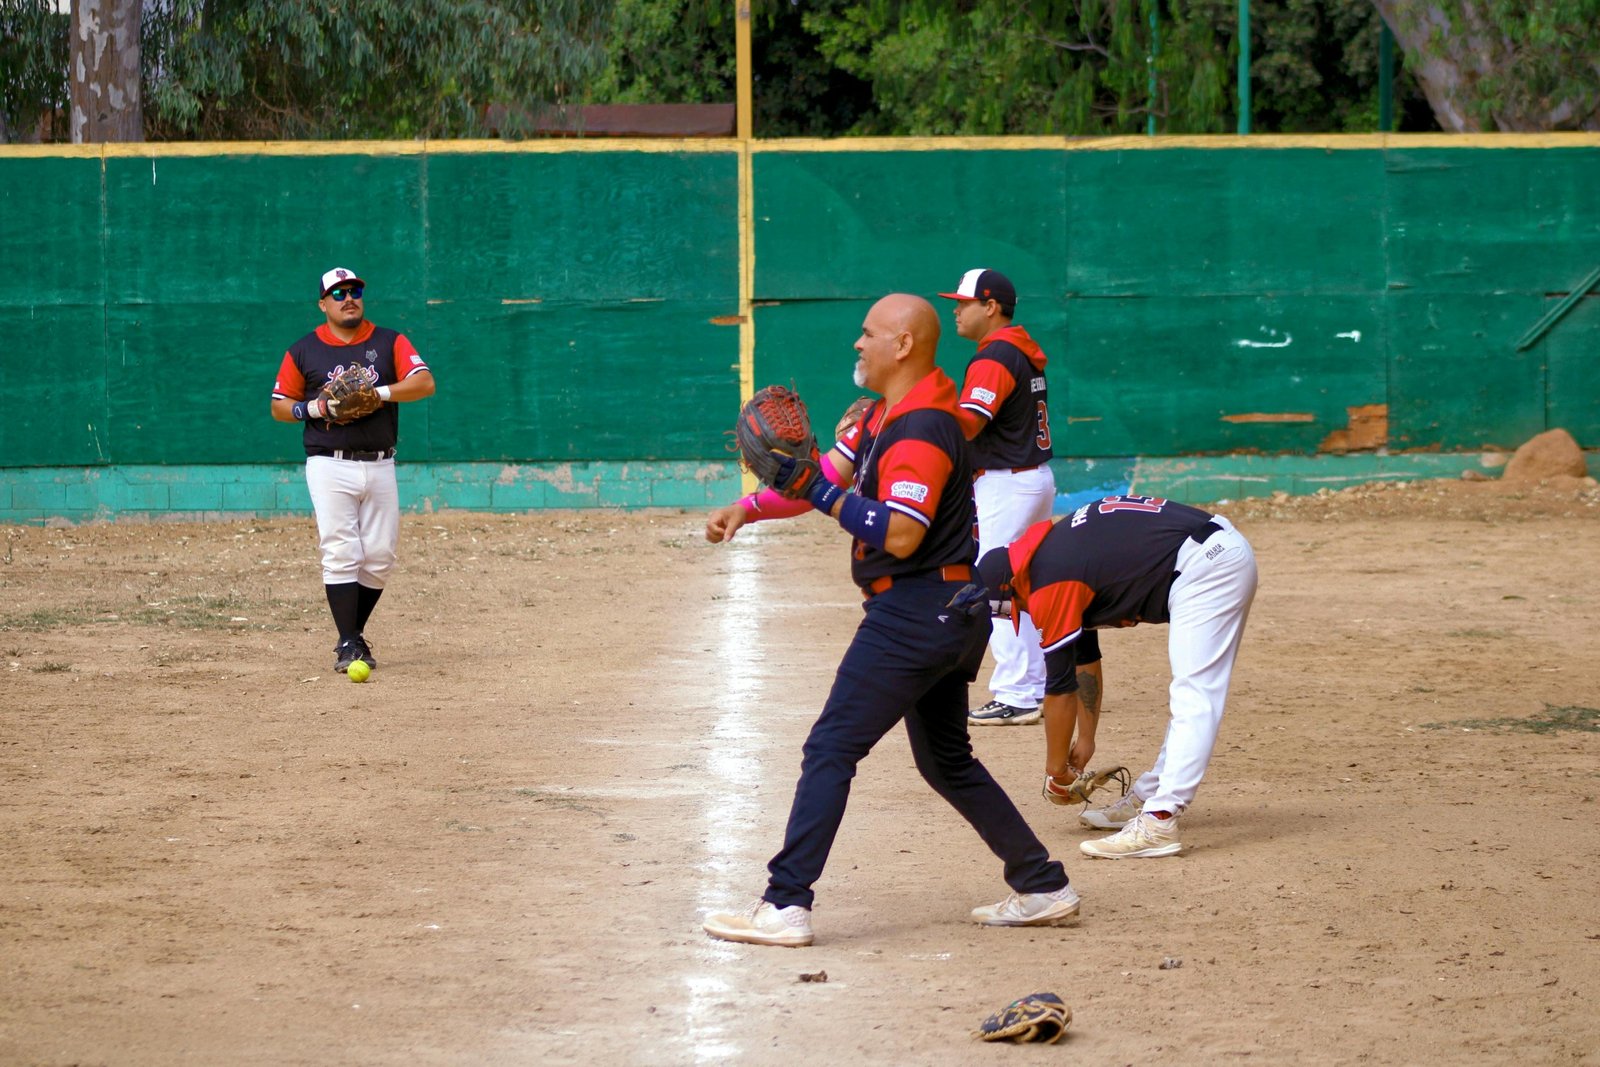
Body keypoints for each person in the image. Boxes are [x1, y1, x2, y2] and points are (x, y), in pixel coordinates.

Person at [700, 294, 1080, 947]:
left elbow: (902, 533)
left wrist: (819, 493)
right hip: (941, 611)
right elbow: (822, 475)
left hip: (916, 612)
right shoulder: (886, 414)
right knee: (948, 762)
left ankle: (785, 902)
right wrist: (751, 506)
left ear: (902, 344)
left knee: (831, 746)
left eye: (868, 333)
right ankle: (1043, 883)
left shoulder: (924, 426)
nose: (857, 343)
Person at [973, 495, 1257, 859]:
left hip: (1209, 566)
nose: (1025, 614)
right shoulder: (1053, 555)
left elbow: (1058, 690)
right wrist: (1085, 741)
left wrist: (1055, 770)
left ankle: (1159, 820)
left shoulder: (1048, 582)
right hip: (1211, 552)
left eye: (1016, 609)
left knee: (1195, 694)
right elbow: (1084, 661)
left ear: (1010, 587)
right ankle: (1147, 797)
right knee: (1191, 693)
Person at [937, 268, 1105, 729]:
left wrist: (926, 418)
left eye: (963, 302)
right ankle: (1034, 684)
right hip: (1030, 478)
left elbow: (969, 423)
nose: (955, 309)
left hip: (1007, 484)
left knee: (995, 583)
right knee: (1022, 585)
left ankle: (1018, 693)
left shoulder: (995, 356)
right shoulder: (1020, 350)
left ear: (990, 306)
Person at [270, 267, 436, 673]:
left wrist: (376, 392)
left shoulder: (389, 341)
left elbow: (424, 383)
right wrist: (314, 407)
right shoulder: (303, 350)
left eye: (355, 290)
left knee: (379, 557)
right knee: (341, 551)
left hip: (380, 462)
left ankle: (351, 635)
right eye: (339, 292)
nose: (349, 297)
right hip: (329, 463)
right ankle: (349, 643)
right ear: (323, 303)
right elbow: (278, 406)